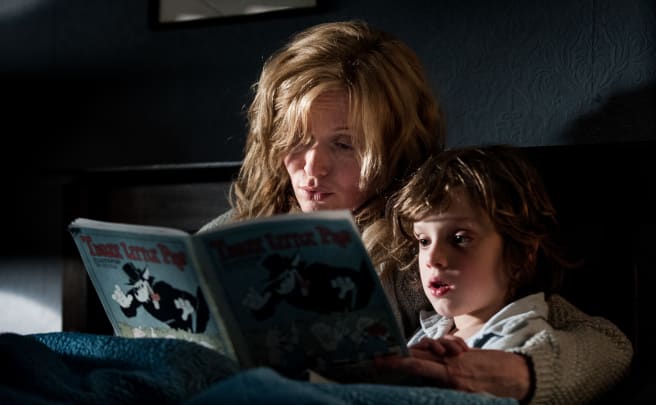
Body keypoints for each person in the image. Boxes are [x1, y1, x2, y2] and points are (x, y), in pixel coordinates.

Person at [199, 20, 633, 404]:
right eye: (296, 138)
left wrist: (524, 374)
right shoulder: (238, 228)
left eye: (344, 144)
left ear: (394, 147)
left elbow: (606, 344)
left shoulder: (416, 245)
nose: (312, 168)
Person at [378, 146, 633, 403]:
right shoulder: (430, 331)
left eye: (459, 239)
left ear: (519, 256)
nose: (433, 259)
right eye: (423, 241)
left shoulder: (525, 337)